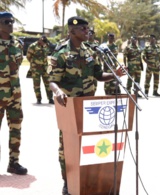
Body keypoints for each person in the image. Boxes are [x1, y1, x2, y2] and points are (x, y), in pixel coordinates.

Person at [48, 16, 126, 195]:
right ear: (72, 31)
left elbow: (99, 75)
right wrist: (58, 91)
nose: (87, 32)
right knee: (66, 146)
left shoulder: (90, 52)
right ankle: (67, 182)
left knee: (88, 144)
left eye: (87, 29)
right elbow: (52, 80)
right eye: (83, 29)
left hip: (90, 107)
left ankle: (86, 180)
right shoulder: (61, 53)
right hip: (69, 106)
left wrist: (115, 74)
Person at [0, 11, 27, 175]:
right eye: (6, 22)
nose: (10, 24)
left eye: (12, 22)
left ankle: (14, 162)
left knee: (16, 129)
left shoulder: (18, 44)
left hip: (15, 96)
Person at [26, 35, 54, 104]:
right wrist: (34, 63)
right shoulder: (33, 46)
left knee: (48, 83)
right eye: (43, 42)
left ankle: (50, 98)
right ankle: (38, 98)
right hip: (36, 69)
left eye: (45, 42)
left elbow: (47, 53)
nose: (44, 43)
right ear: (40, 40)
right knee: (36, 84)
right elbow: (28, 56)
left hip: (45, 67)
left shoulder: (46, 45)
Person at [85, 29, 100, 94]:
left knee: (95, 85)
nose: (90, 35)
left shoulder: (97, 43)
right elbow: (86, 60)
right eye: (89, 33)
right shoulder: (85, 44)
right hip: (88, 66)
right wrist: (92, 57)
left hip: (96, 66)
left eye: (91, 34)